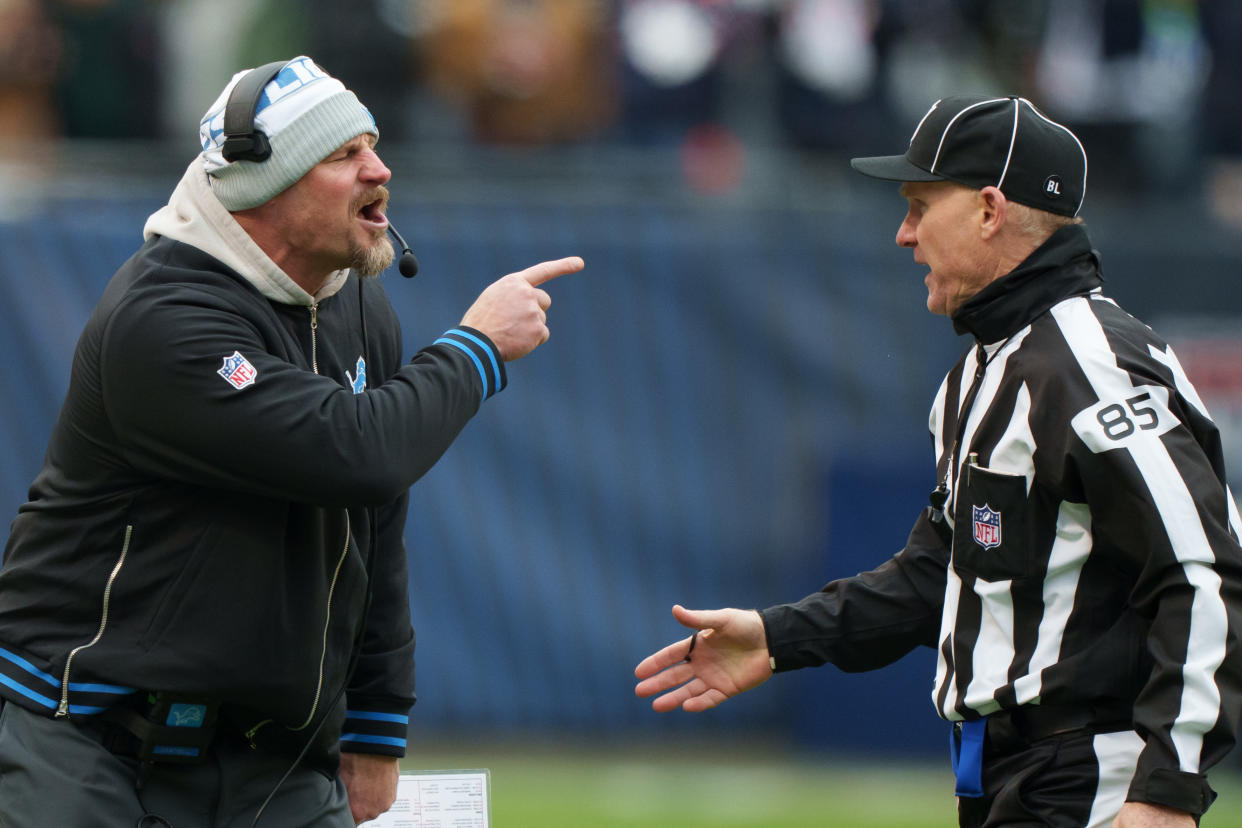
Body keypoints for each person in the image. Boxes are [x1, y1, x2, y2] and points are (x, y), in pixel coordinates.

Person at [0, 56, 582, 827]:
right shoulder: (164, 316)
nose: (380, 168)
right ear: (264, 185)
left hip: (272, 758)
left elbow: (374, 530)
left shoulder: (358, 306)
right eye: (344, 155)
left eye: (372, 144)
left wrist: (378, 722)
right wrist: (476, 351)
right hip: (91, 742)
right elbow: (357, 452)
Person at [635, 95, 1242, 828]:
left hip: (1089, 783)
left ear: (989, 210)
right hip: (1005, 777)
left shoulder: (1089, 367)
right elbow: (940, 572)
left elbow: (1203, 570)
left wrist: (1166, 791)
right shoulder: (983, 372)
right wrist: (780, 637)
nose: (903, 234)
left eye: (921, 205)